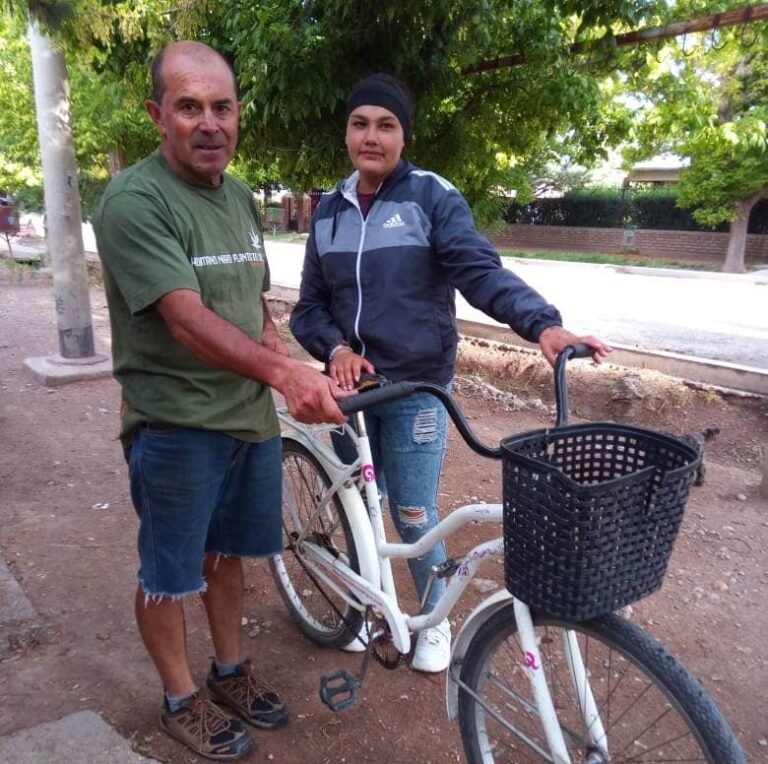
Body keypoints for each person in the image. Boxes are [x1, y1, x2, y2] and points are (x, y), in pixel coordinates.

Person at [290, 73, 612, 674]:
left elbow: (479, 271)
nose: (371, 136)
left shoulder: (431, 197)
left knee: (412, 512)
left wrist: (541, 324)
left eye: (386, 125)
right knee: (358, 505)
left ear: (403, 136)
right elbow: (308, 307)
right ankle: (365, 607)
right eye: (360, 123)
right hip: (347, 391)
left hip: (416, 389)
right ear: (346, 132)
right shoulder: (328, 211)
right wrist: (334, 349)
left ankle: (432, 621)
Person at [93, 41, 347, 761]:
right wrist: (287, 377)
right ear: (157, 116)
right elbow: (186, 319)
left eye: (222, 107)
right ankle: (180, 699)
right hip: (177, 426)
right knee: (168, 574)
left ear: (238, 116)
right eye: (189, 107)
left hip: (246, 421)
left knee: (227, 557)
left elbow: (248, 306)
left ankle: (229, 671)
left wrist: (287, 368)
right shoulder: (134, 201)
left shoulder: (237, 197)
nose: (210, 123)